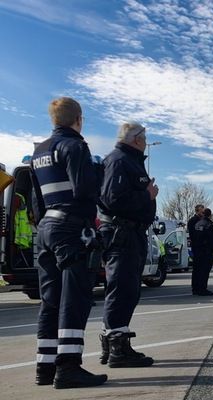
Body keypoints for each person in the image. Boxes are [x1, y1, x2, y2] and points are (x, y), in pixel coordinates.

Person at [29, 97, 107, 388]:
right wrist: (98, 171)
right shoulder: (74, 146)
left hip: (47, 227)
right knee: (75, 298)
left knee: (50, 299)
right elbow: (85, 189)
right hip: (71, 227)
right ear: (79, 120)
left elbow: (36, 200)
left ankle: (45, 367)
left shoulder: (38, 151)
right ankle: (69, 367)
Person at [97, 121, 159, 368]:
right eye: (144, 137)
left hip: (128, 233)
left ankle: (111, 343)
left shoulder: (126, 160)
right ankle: (118, 350)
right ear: (137, 139)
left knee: (125, 290)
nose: (145, 141)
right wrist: (148, 195)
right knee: (123, 289)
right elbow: (113, 200)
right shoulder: (120, 160)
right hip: (122, 234)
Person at [192, 208, 213, 295]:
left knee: (197, 270)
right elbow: (212, 239)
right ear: (210, 215)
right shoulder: (209, 225)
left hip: (197, 251)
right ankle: (202, 289)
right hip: (206, 251)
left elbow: (194, 238)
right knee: (205, 271)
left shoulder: (197, 224)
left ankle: (196, 288)